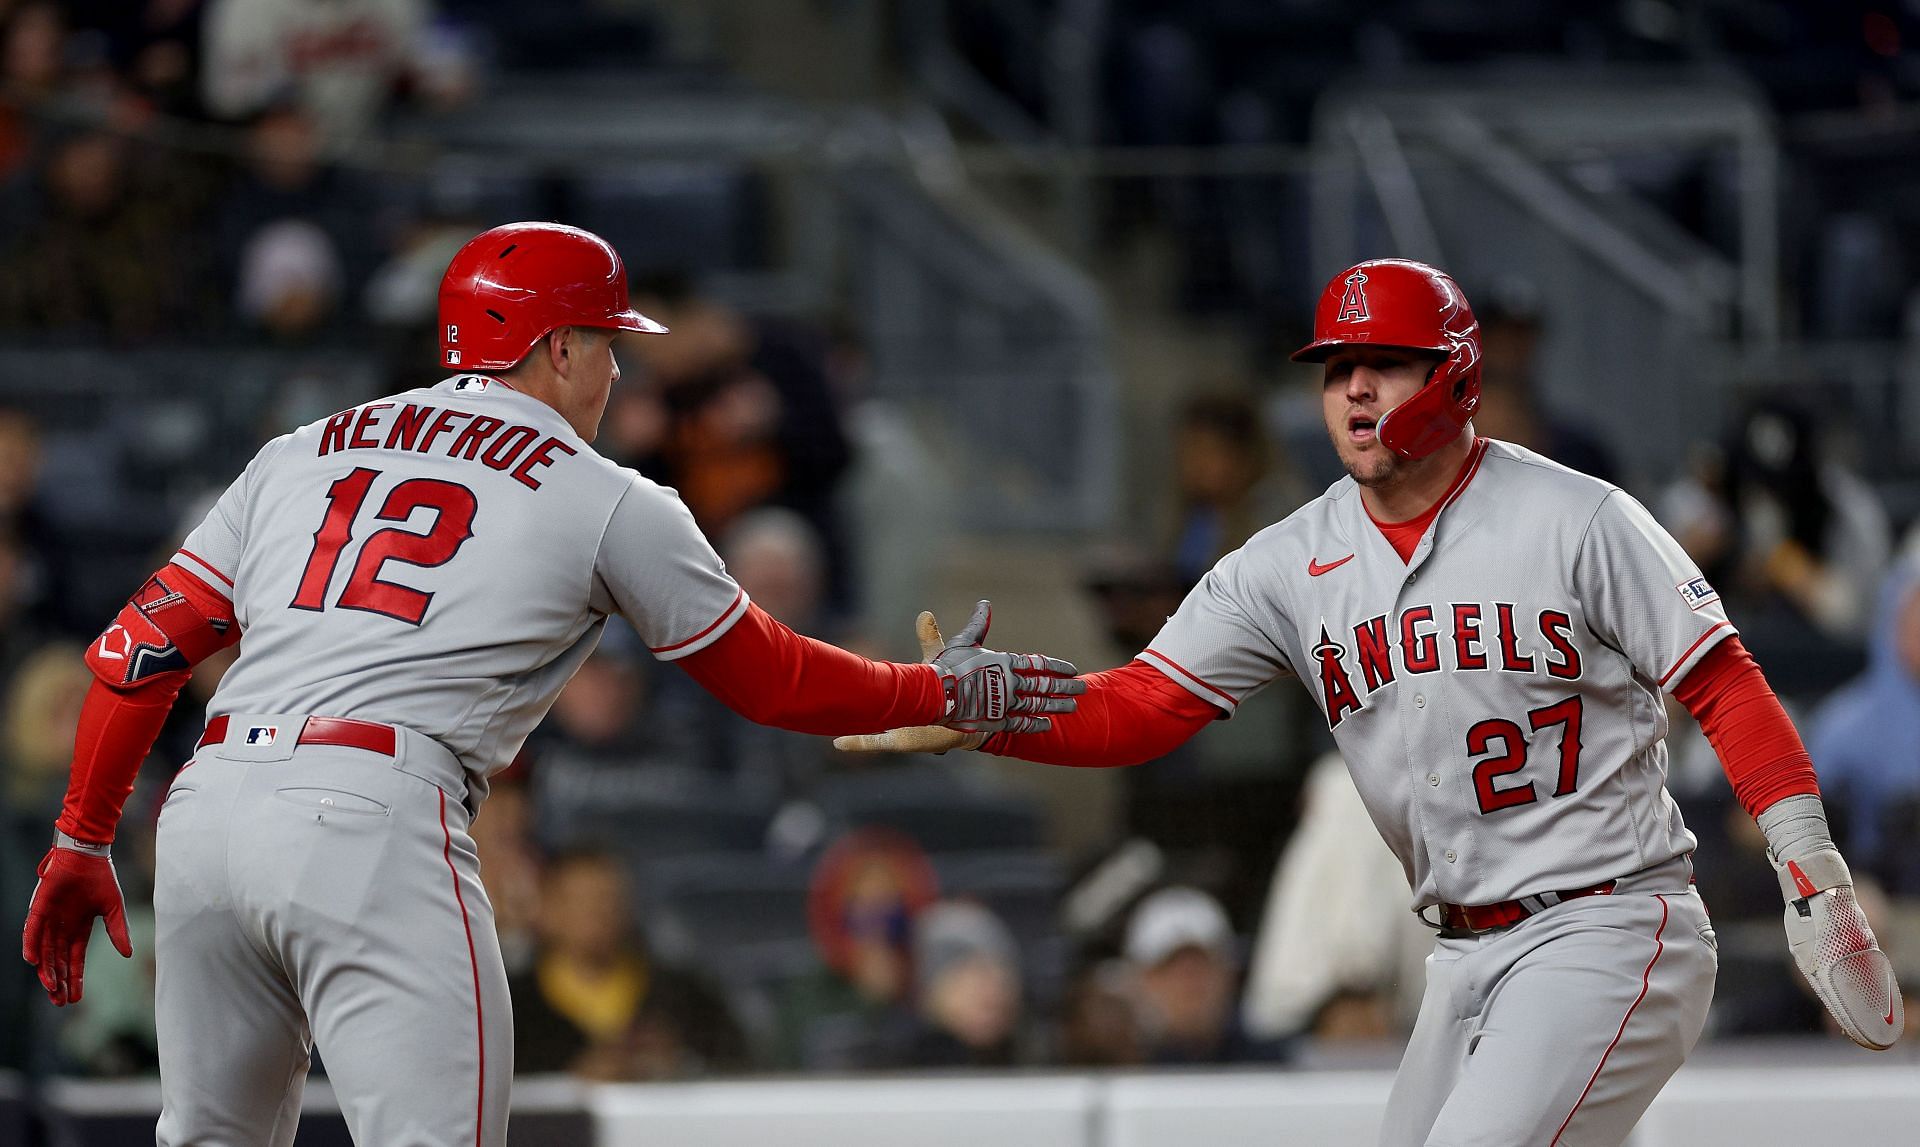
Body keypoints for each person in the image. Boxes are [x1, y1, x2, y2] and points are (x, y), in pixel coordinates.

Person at [19, 221, 1082, 1146]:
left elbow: (134, 651)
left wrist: (79, 837)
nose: (619, 374)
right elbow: (775, 681)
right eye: (609, 346)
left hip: (207, 813)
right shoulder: (604, 493)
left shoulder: (302, 450)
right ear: (558, 346)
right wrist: (936, 693)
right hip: (371, 813)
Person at [841, 258, 1902, 1145]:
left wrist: (1811, 871)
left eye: (1385, 365)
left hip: (1611, 924)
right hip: (1459, 954)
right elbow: (1141, 706)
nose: (1354, 390)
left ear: (1455, 374)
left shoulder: (1579, 519)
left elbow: (1722, 679)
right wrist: (1004, 708)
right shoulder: (1289, 563)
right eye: (1336, 368)